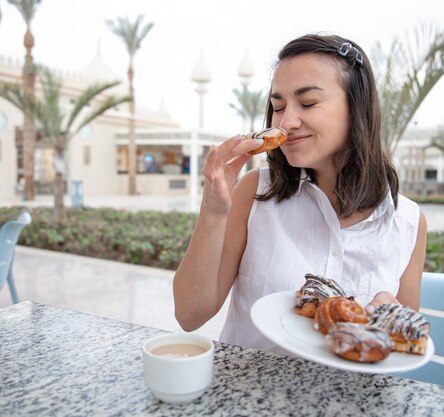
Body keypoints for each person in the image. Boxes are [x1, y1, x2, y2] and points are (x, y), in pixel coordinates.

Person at [173, 33, 427, 352]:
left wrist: (387, 316)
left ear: (356, 107)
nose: (286, 122)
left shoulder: (407, 223)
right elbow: (189, 315)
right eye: (278, 106)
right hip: (249, 391)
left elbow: (404, 348)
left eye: (307, 103)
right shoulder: (254, 192)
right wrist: (213, 212)